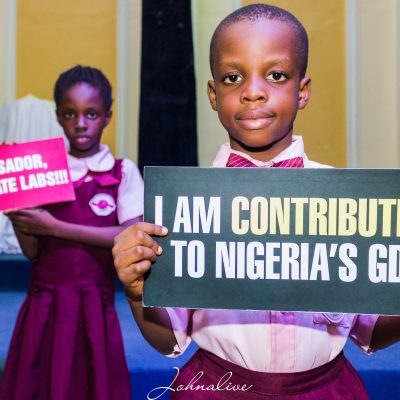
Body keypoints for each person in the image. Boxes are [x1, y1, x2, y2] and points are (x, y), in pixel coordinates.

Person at [112, 4, 400, 399]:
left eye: (276, 75)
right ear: (213, 94)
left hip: (324, 389)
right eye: (233, 77)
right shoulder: (185, 208)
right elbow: (168, 342)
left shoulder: (347, 203)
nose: (252, 92)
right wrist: (136, 292)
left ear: (302, 91)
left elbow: (373, 333)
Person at [0, 65, 143, 400]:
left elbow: (130, 235)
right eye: (69, 114)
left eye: (91, 114)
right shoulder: (44, 172)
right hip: (44, 307)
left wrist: (55, 227)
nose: (80, 123)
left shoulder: (122, 172)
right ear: (58, 117)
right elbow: (33, 252)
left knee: (92, 384)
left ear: (107, 116)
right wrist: (16, 209)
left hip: (95, 305)